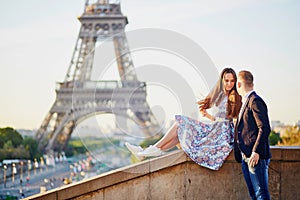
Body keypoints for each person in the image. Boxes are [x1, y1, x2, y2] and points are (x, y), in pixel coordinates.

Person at [126, 68, 242, 170]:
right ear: (222, 80)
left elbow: (236, 118)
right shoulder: (218, 94)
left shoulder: (235, 96)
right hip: (214, 128)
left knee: (180, 124)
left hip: (222, 133)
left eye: (232, 81)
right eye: (227, 80)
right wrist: (211, 117)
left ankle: (148, 151)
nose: (229, 84)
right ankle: (147, 152)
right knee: (178, 132)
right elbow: (209, 113)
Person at [234, 70, 271, 200]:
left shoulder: (255, 101)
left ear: (238, 85)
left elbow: (265, 128)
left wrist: (256, 152)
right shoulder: (247, 101)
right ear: (252, 83)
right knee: (254, 196)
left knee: (261, 195)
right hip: (246, 156)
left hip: (255, 157)